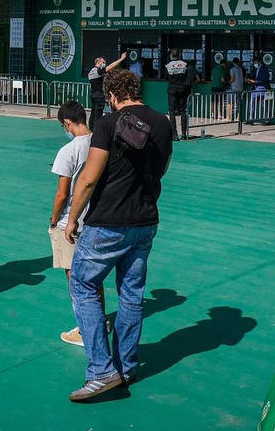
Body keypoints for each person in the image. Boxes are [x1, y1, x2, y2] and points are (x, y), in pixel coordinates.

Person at [64, 69, 174, 401]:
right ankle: (125, 366)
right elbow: (162, 169)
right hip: (144, 221)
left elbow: (88, 178)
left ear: (112, 96)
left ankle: (101, 370)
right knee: (130, 295)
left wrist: (71, 219)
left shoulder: (108, 124)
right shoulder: (163, 123)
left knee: (83, 286)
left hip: (107, 222)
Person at [49, 100, 97, 346]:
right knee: (93, 276)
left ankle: (85, 328)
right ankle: (98, 320)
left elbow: (62, 194)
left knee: (75, 278)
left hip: (72, 221)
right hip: (96, 218)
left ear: (67, 123)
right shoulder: (99, 143)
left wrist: (54, 219)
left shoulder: (68, 151)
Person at [87, 52, 127, 127]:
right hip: (99, 95)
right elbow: (110, 67)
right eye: (103, 62)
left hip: (93, 94)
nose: (104, 64)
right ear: (98, 62)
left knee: (93, 114)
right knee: (98, 115)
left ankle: (91, 129)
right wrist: (121, 59)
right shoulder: (97, 71)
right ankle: (96, 130)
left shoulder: (91, 72)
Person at [164, 49, 195, 141]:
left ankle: (174, 134)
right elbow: (188, 77)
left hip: (172, 89)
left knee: (172, 112)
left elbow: (166, 77)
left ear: (171, 55)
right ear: (179, 54)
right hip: (182, 89)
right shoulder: (185, 65)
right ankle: (184, 134)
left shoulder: (168, 66)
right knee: (182, 111)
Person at [209, 56, 229, 121]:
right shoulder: (222, 69)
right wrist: (227, 82)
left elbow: (211, 78)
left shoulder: (214, 69)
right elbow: (222, 80)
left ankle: (212, 114)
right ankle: (219, 115)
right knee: (219, 101)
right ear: (224, 64)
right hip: (220, 87)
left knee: (213, 101)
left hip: (213, 87)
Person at [228, 56, 245, 123]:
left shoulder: (232, 69)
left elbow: (232, 79)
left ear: (233, 62)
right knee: (239, 104)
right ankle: (238, 117)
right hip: (240, 88)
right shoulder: (240, 69)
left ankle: (229, 118)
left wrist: (229, 82)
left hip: (234, 88)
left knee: (230, 103)